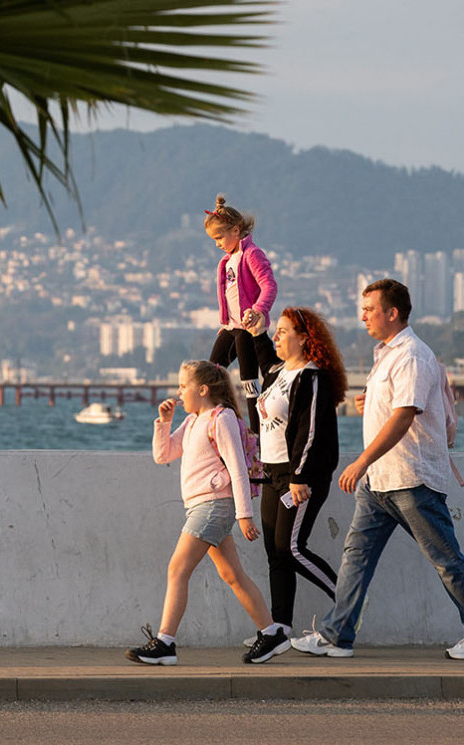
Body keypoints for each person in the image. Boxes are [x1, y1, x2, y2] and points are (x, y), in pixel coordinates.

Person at [290, 279, 464, 660]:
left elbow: (405, 416)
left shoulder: (412, 355)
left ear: (393, 313)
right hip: (380, 483)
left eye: (370, 309)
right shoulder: (386, 354)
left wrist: (361, 461)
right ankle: (336, 635)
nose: (363, 315)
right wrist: (369, 406)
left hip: (411, 479)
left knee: (445, 559)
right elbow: (393, 407)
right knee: (355, 557)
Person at [126, 360, 288, 666]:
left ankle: (165, 643)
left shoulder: (221, 418)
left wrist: (245, 515)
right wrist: (164, 422)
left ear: (203, 389)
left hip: (214, 505)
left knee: (177, 569)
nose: (179, 392)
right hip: (202, 506)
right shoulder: (192, 421)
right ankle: (271, 633)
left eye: (183, 386)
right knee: (232, 575)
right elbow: (163, 456)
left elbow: (238, 467)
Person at [237, 306, 343, 648]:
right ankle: (279, 628)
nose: (278, 337)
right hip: (272, 473)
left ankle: (347, 604)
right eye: (278, 332)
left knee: (291, 548)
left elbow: (308, 433)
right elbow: (266, 359)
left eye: (284, 332)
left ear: (303, 338)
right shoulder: (279, 372)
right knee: (275, 553)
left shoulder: (312, 378)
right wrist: (259, 333)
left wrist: (300, 477)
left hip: (300, 476)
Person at [204, 194, 277, 435]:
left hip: (247, 328)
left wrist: (258, 310)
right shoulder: (226, 261)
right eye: (214, 240)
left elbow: (269, 285)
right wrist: (225, 322)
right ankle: (221, 422)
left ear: (236, 230)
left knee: (249, 382)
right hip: (230, 328)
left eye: (219, 237)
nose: (217, 244)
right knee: (212, 372)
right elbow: (230, 297)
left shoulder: (251, 254)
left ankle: (256, 434)